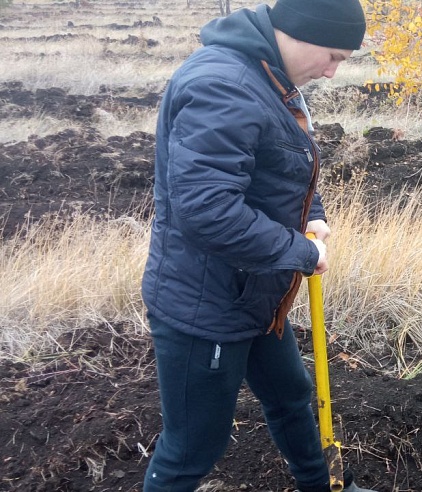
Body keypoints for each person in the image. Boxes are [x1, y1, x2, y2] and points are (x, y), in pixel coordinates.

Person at [140, 0, 375, 491]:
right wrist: (301, 253)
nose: (332, 73)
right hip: (204, 307)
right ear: (300, 32)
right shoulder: (225, 85)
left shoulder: (266, 75)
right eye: (333, 56)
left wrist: (312, 216)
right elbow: (207, 211)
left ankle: (324, 486)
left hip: (252, 292)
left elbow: (274, 170)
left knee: (291, 395)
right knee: (190, 448)